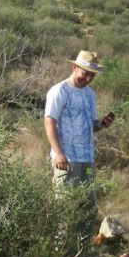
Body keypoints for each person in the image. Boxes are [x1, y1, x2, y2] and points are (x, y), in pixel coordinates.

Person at [45, 51, 114, 241]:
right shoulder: (59, 91)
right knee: (65, 208)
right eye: (85, 73)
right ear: (74, 67)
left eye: (92, 75)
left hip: (87, 159)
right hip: (66, 161)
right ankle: (61, 253)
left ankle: (81, 253)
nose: (88, 78)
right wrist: (59, 153)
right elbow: (49, 122)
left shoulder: (90, 95)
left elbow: (91, 126)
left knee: (88, 208)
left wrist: (102, 124)